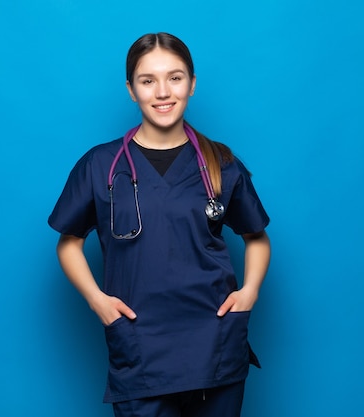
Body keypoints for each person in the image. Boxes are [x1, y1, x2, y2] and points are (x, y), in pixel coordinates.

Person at [48, 32, 271, 417]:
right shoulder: (100, 165)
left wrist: (249, 291)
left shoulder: (222, 163)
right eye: (148, 80)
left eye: (175, 77)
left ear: (192, 84)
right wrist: (96, 300)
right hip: (140, 347)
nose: (163, 91)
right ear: (132, 90)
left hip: (214, 341)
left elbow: (257, 237)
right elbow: (69, 243)